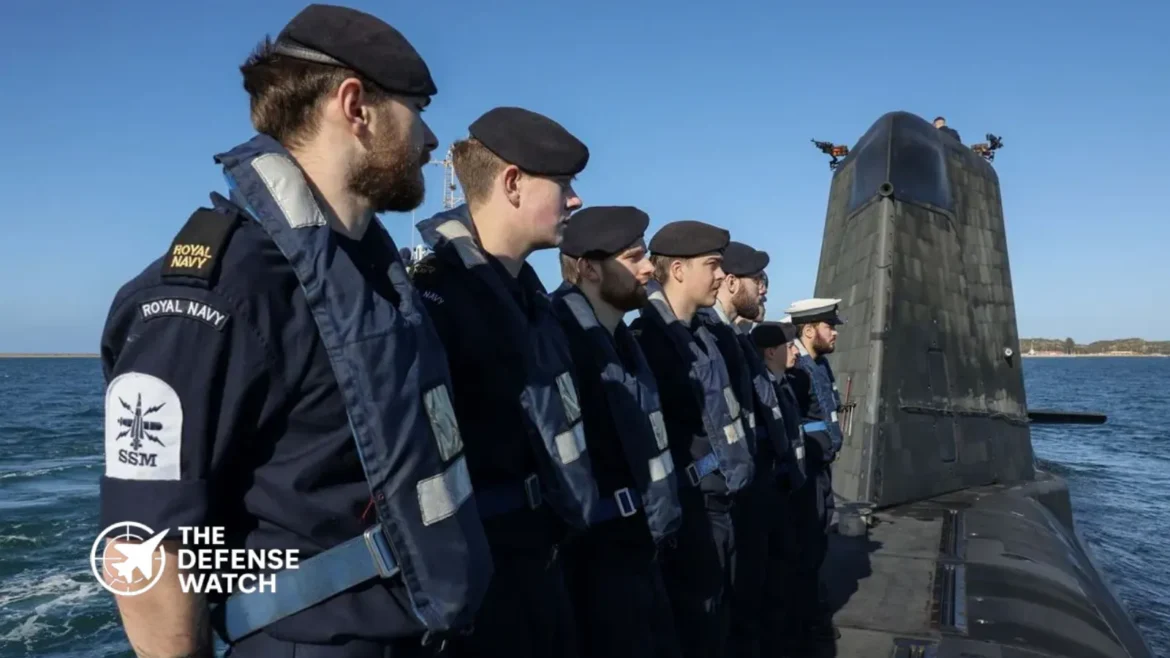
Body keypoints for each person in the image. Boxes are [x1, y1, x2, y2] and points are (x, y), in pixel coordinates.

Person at [97, 5, 493, 657]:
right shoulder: (218, 292)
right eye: (417, 108)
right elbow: (147, 545)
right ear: (356, 106)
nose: (429, 139)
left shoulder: (372, 272)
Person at [411, 106, 600, 658]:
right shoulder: (434, 298)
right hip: (481, 581)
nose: (575, 199)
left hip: (543, 556)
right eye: (563, 183)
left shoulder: (530, 299)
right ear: (513, 184)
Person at [548, 205, 684, 658]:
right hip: (592, 563)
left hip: (638, 546)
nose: (649, 268)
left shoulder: (622, 342)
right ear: (588, 268)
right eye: (633, 258)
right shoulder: (558, 341)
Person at [629, 221, 755, 658]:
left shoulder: (703, 338)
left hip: (715, 502)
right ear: (679, 270)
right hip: (688, 512)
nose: (722, 277)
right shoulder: (648, 343)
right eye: (713, 266)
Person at [783, 298, 848, 649]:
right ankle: (805, 619)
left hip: (822, 469)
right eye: (829, 326)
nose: (835, 333)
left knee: (819, 540)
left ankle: (810, 612)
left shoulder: (820, 366)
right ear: (809, 330)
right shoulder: (795, 371)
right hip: (805, 471)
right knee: (805, 546)